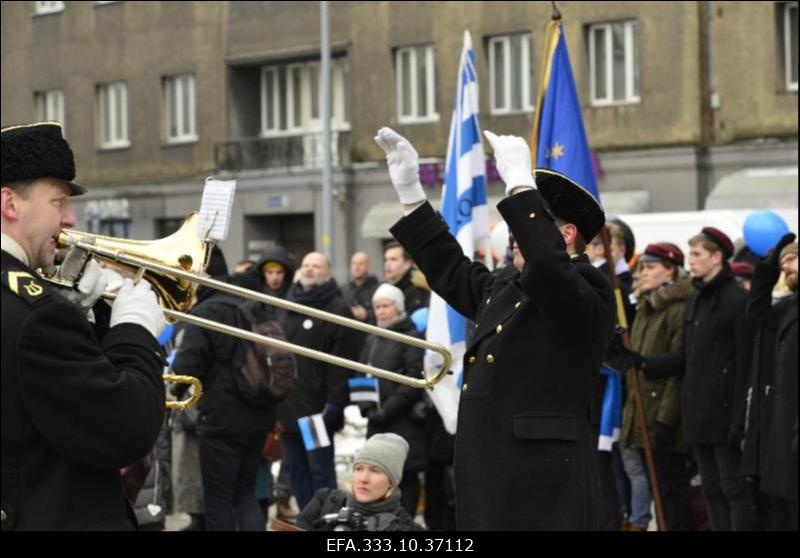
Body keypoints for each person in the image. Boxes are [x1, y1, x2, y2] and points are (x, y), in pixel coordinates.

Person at [374, 127, 615, 530]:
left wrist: (521, 183)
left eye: (526, 229)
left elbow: (550, 273)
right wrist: (412, 194)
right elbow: (450, 270)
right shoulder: (505, 286)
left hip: (542, 479)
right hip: (489, 469)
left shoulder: (588, 288)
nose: (514, 239)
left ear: (567, 234)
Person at [1, 122, 166, 530]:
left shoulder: (33, 307)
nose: (71, 219)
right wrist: (135, 332)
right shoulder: (36, 315)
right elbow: (125, 429)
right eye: (58, 202)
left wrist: (84, 319)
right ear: (10, 203)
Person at [171, 246, 276, 531]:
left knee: (219, 500)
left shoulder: (205, 313)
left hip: (220, 422)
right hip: (258, 417)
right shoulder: (250, 304)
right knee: (245, 494)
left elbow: (184, 370)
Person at [613, 242, 695, 531]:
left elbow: (676, 370)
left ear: (670, 270)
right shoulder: (647, 308)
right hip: (644, 409)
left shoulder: (678, 310)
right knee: (659, 489)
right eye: (640, 267)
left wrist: (664, 421)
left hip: (664, 415)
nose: (642, 273)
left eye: (649, 267)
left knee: (672, 492)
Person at [278, 251, 360, 510]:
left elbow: (342, 362)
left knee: (319, 471)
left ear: (328, 273)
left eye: (316, 265)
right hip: (288, 410)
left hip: (317, 412)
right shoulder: (287, 306)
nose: (309, 269)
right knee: (295, 470)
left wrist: (334, 403)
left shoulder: (337, 308)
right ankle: (307, 521)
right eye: (305, 264)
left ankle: (327, 523)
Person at [742, 235, 797, 530]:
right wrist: (766, 269)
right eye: (782, 262)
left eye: (791, 259)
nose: (786, 266)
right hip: (784, 432)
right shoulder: (789, 307)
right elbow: (757, 314)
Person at [359, 283, 427, 518]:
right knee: (379, 475)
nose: (381, 311)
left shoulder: (412, 337)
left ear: (398, 308)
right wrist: (366, 407)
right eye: (377, 306)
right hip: (377, 421)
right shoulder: (372, 337)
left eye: (386, 306)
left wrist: (387, 410)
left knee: (404, 476)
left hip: (402, 422)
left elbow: (411, 380)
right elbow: (362, 371)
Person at [296, 433, 424, 531]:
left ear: (392, 482)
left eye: (375, 471)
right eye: (359, 468)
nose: (363, 479)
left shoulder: (404, 526)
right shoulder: (325, 501)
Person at [382, 241, 429, 314]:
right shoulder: (383, 289)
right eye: (386, 260)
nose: (387, 264)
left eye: (393, 259)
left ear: (408, 263)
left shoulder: (419, 290)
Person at [341, 251, 379, 324]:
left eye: (360, 264)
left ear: (368, 267)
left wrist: (366, 315)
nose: (356, 267)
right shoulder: (343, 290)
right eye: (353, 263)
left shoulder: (378, 289)